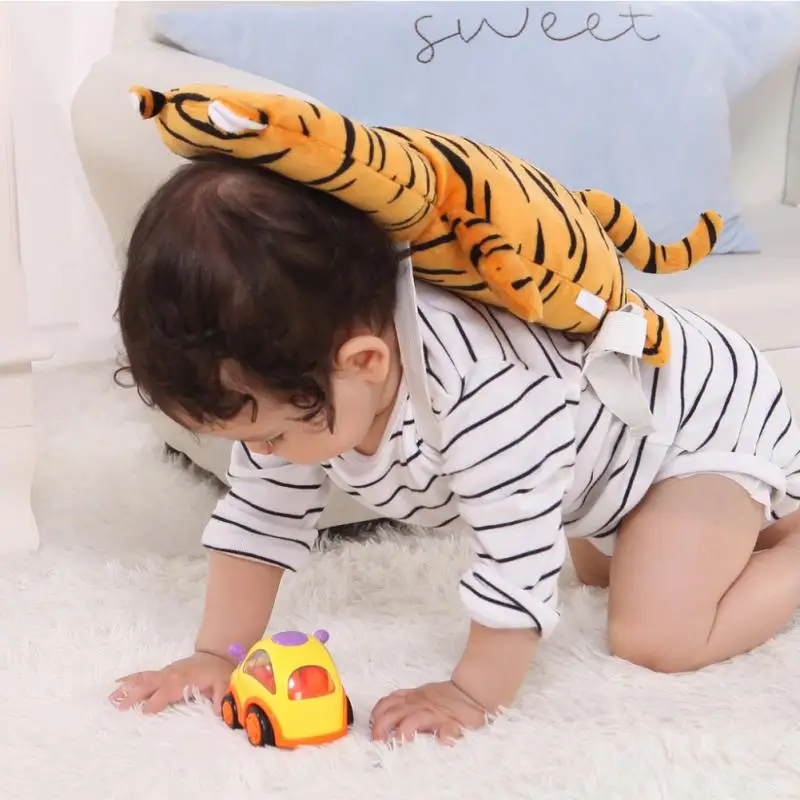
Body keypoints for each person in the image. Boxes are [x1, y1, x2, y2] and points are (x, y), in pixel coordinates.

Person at [110, 157, 800, 744]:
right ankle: (741, 531)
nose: (263, 453)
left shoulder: (479, 386)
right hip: (598, 462)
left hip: (694, 425)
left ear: (365, 361)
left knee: (656, 637)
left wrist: (472, 693)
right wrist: (217, 654)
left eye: (270, 436)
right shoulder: (300, 373)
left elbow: (517, 552)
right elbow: (260, 516)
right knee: (605, 575)